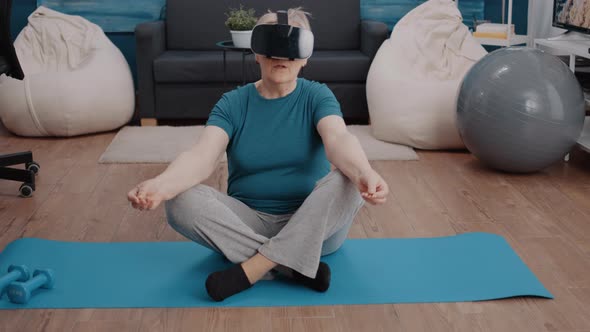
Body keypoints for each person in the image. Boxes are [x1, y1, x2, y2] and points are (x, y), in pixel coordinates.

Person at [127, 8, 389, 302]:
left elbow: (339, 138)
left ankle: (254, 268)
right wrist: (161, 185)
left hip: (316, 226)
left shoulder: (317, 96)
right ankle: (295, 266)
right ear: (256, 52)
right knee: (180, 200)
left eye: (292, 49)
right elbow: (202, 155)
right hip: (247, 221)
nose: (281, 56)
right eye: (272, 47)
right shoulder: (233, 103)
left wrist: (365, 172)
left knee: (347, 180)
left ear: (305, 58)